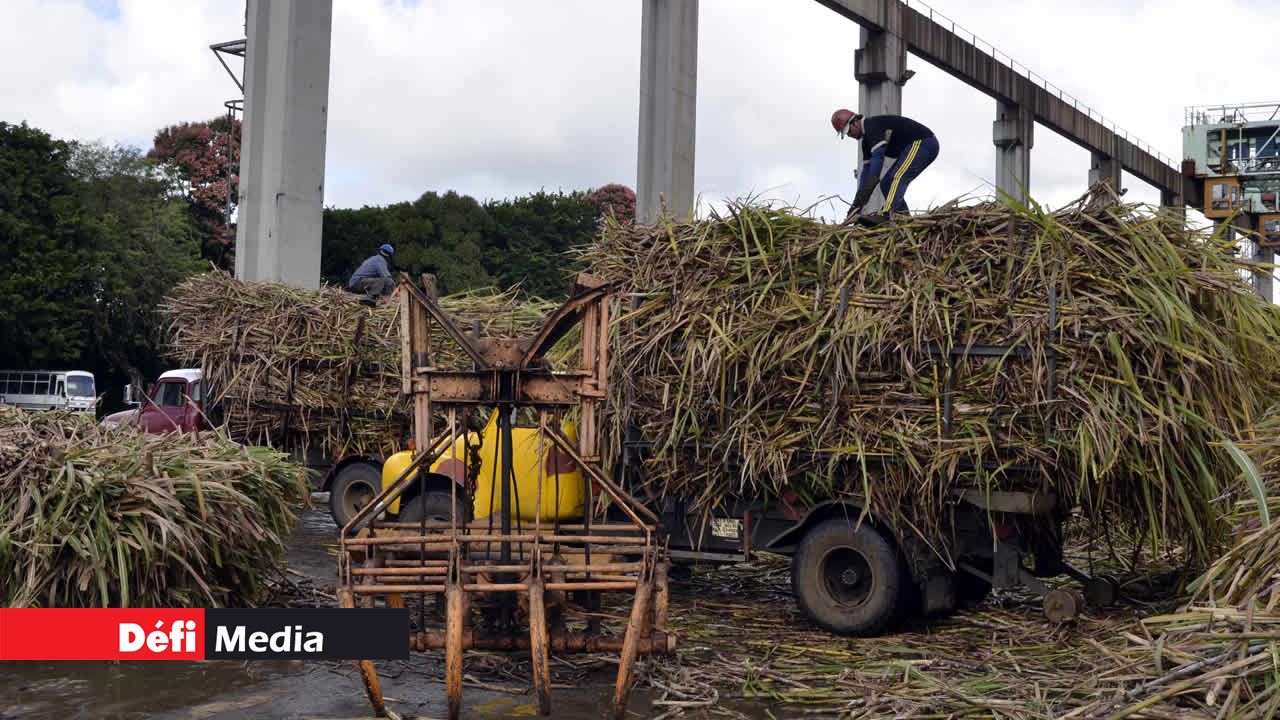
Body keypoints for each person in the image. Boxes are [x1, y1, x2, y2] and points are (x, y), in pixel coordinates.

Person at [831, 109, 939, 224]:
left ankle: (887, 215)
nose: (849, 135)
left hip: (924, 143)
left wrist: (871, 184)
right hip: (914, 147)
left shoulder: (871, 126)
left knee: (896, 177)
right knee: (886, 183)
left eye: (848, 131)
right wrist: (857, 204)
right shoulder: (866, 142)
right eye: (846, 134)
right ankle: (902, 216)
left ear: (855, 122)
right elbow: (866, 171)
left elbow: (878, 157)